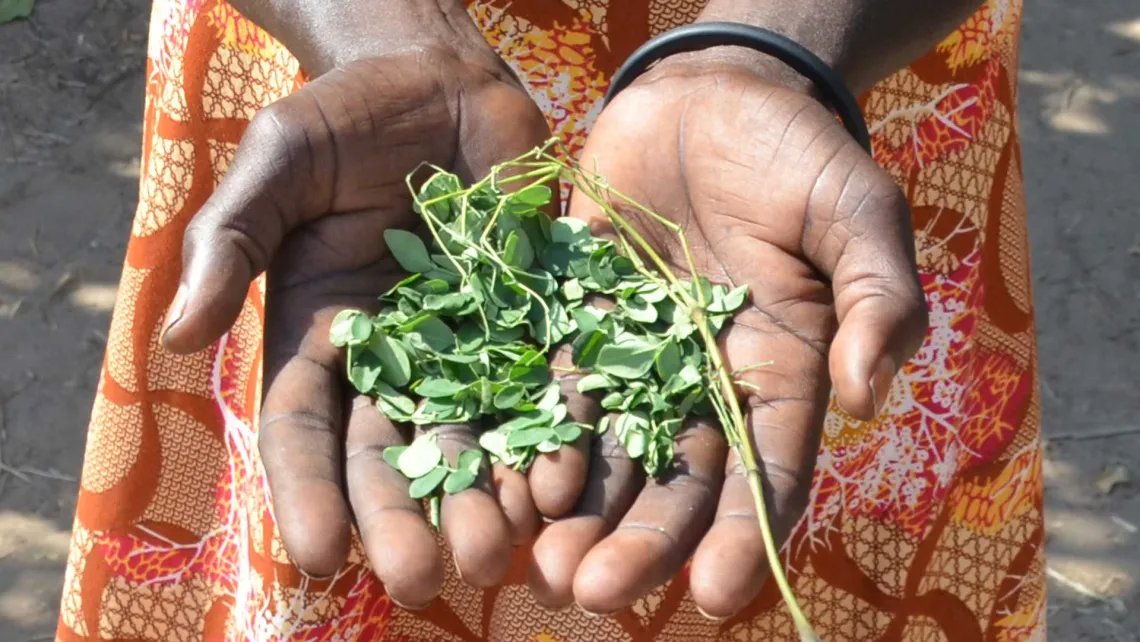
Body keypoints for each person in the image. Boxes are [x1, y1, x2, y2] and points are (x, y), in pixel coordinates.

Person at [57, 0, 1044, 640]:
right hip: (343, 77)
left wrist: (776, 48)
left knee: (757, 530)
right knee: (351, 516)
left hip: (826, 78)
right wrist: (375, 31)